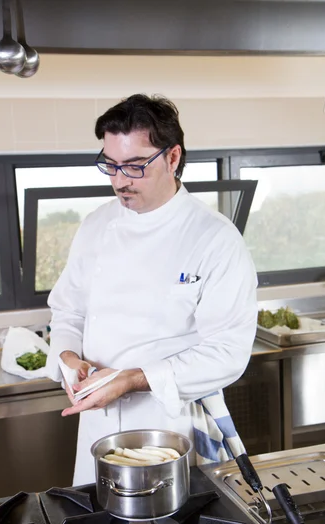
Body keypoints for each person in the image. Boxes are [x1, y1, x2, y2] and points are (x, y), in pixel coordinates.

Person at [47, 94, 258, 485]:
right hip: (99, 424)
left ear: (173, 157)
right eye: (109, 165)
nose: (119, 181)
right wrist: (68, 358)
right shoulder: (96, 225)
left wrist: (133, 378)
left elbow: (228, 352)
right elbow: (68, 311)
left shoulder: (214, 238)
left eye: (134, 166)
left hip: (172, 424)